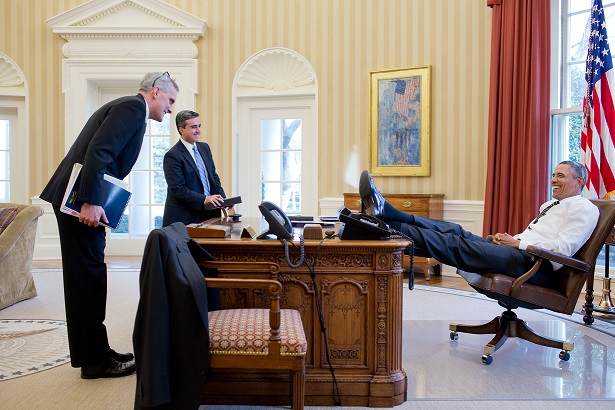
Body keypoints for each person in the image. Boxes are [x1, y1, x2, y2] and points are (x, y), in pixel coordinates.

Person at [40, 71, 179, 379]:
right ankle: (94, 362)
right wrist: (90, 201)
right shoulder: (131, 108)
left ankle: (97, 352)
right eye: (170, 100)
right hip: (78, 203)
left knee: (88, 275)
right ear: (156, 92)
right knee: (86, 278)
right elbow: (99, 152)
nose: (170, 109)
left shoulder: (129, 109)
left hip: (78, 199)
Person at [358, 160, 599, 286]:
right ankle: (390, 216)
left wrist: (516, 244)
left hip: (535, 267)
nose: (553, 180)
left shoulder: (584, 208)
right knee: (456, 230)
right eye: (554, 175)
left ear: (579, 182)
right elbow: (535, 236)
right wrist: (508, 240)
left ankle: (388, 227)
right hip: (519, 254)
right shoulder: (550, 205)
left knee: (453, 243)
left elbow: (563, 250)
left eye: (561, 176)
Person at [162, 110, 228, 227]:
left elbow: (213, 177)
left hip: (210, 215)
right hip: (185, 218)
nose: (198, 130)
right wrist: (205, 199)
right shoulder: (172, 155)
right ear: (181, 130)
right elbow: (178, 189)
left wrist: (223, 200)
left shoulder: (204, 148)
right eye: (193, 127)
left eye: (199, 126)